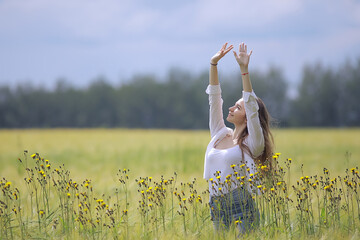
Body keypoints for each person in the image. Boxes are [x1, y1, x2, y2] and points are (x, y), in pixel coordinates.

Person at [204, 42, 274, 233]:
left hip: (240, 204)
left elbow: (252, 107)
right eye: (234, 105)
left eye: (237, 107)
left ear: (247, 116)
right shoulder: (219, 134)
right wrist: (213, 65)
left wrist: (244, 70)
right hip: (216, 204)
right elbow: (214, 100)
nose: (231, 108)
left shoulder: (252, 142)